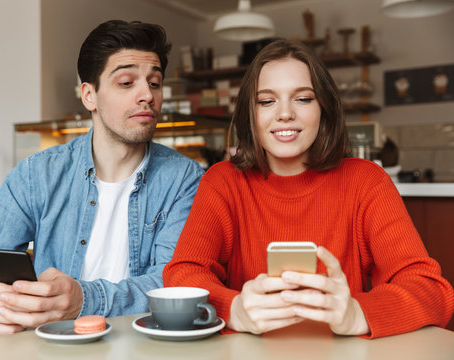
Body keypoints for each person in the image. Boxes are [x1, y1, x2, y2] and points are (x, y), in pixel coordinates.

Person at [0, 20, 204, 337]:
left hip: (144, 346)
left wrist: (83, 299)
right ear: (89, 96)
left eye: (154, 83)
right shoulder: (38, 175)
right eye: (126, 82)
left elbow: (175, 283)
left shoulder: (186, 179)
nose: (146, 95)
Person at [163, 38, 454, 339]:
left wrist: (358, 313)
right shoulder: (222, 182)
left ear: (324, 109)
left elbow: (431, 290)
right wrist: (233, 308)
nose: (285, 113)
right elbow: (181, 276)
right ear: (251, 114)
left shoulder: (366, 181)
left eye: (303, 98)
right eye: (266, 101)